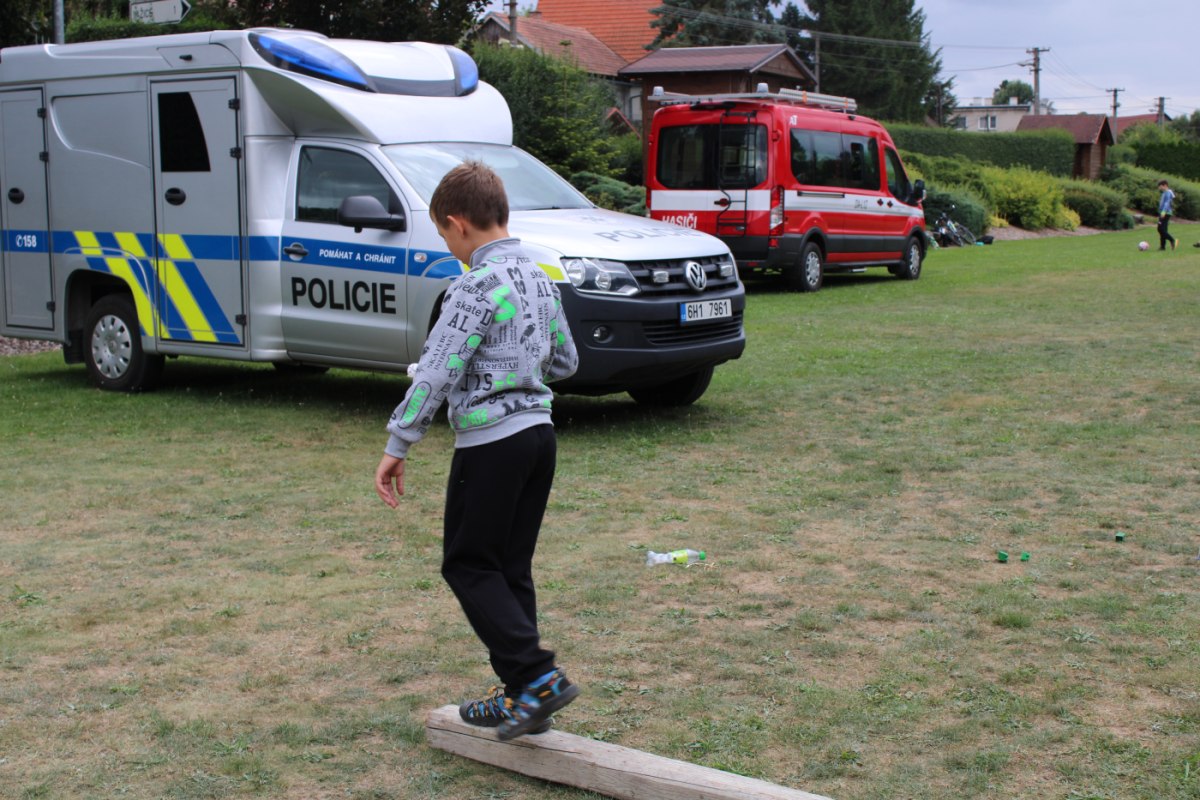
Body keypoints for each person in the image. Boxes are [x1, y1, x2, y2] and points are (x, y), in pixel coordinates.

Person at [373, 160, 580, 741]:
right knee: (508, 568)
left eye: (443, 234)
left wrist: (400, 442)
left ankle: (537, 677)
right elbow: (566, 361)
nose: (448, 246)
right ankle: (522, 696)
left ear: (458, 223)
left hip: (492, 444)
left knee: (467, 564)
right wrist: (520, 366)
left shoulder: (471, 287)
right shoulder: (540, 277)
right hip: (539, 438)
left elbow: (437, 371)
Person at [1157, 179, 1177, 251]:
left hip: (1165, 213)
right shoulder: (1165, 193)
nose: (1159, 188)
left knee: (1160, 229)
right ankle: (1162, 247)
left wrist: (1163, 212)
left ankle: (1172, 240)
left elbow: (1167, 203)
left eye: (1160, 186)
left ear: (1165, 185)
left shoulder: (1168, 193)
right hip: (1164, 212)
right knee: (1163, 229)